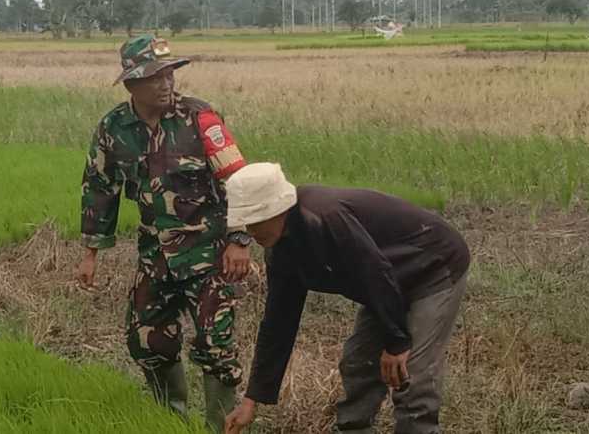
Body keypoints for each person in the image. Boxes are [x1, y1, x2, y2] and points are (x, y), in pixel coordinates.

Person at [77, 34, 255, 432]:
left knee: (217, 349)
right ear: (131, 84)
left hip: (210, 256)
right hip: (155, 257)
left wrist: (240, 240)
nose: (166, 83)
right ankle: (169, 420)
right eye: (154, 77)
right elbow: (99, 187)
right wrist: (91, 251)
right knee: (145, 340)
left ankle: (219, 427)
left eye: (169, 74)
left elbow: (238, 179)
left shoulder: (200, 118)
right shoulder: (114, 128)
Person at [223, 163, 470, 434]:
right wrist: (252, 399)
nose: (253, 231)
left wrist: (397, 342)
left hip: (432, 267)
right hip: (385, 283)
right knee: (357, 362)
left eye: (257, 220)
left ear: (278, 208)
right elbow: (278, 324)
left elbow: (374, 272)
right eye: (248, 223)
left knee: (411, 375)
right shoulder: (281, 250)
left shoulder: (324, 217)